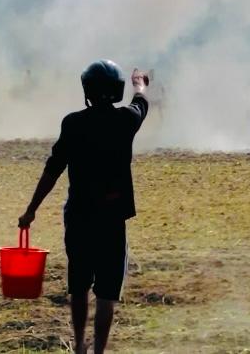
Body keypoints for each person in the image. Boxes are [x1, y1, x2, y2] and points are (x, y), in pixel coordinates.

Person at [18, 60, 149, 354]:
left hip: (79, 216)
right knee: (106, 293)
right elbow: (141, 102)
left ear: (87, 90)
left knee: (79, 285)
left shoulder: (73, 123)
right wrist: (139, 82)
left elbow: (53, 169)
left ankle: (78, 346)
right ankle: (98, 350)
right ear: (117, 90)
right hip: (112, 219)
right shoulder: (126, 120)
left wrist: (32, 209)